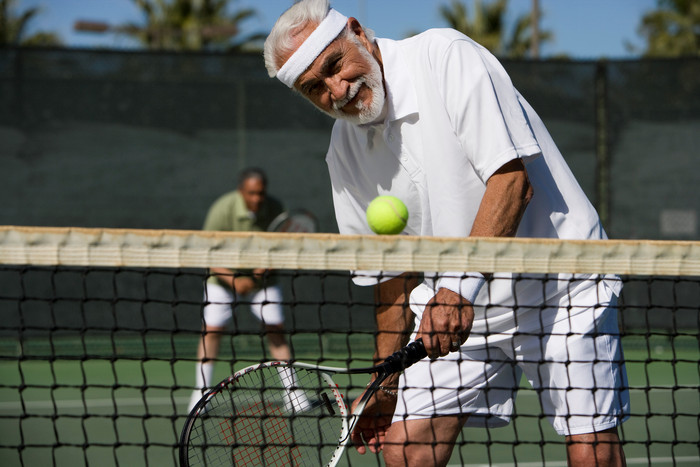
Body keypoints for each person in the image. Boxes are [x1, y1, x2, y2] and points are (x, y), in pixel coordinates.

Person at [263, 1, 630, 466]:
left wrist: (458, 290)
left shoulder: (445, 56)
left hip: (561, 287)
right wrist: (386, 380)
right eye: (314, 88)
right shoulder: (345, 152)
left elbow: (512, 183)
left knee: (592, 452)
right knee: (403, 449)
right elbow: (390, 277)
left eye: (335, 65)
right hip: (454, 306)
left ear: (356, 32)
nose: (337, 89)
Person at [188, 167, 291, 412]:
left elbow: (283, 246)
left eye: (261, 193)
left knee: (275, 328)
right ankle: (200, 392)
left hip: (262, 281)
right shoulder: (222, 209)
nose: (256, 199)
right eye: (251, 193)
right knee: (211, 331)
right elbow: (206, 252)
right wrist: (234, 279)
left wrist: (258, 272)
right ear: (241, 191)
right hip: (222, 278)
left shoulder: (275, 208)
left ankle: (293, 394)